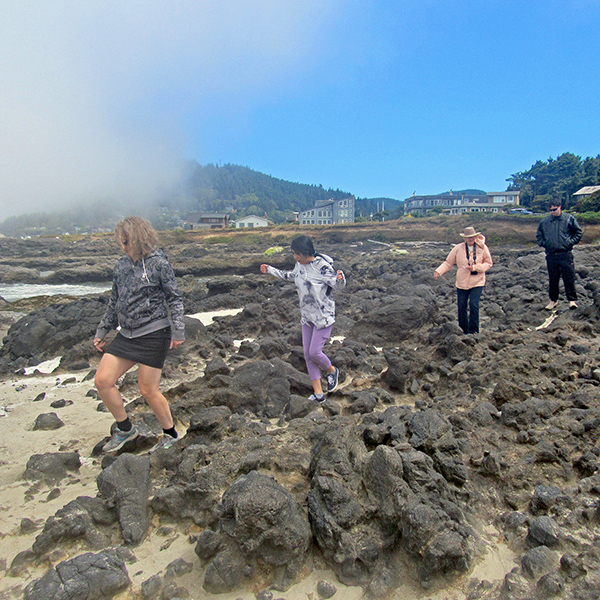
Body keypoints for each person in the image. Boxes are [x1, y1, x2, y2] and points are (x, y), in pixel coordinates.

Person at [94, 216, 185, 453]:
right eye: (121, 242)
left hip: (155, 332)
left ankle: (170, 434)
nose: (124, 247)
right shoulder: (121, 265)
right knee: (103, 381)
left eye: (127, 242)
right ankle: (125, 429)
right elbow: (114, 300)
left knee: (148, 390)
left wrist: (178, 329)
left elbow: (174, 298)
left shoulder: (159, 264)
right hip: (127, 334)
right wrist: (103, 329)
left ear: (139, 239)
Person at [260, 235, 346, 403]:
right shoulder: (299, 265)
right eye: (293, 254)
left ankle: (332, 371)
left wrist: (341, 279)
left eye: (296, 253)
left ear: (305, 252)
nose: (295, 257)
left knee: (315, 352)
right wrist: (270, 269)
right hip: (307, 317)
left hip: (323, 317)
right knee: (308, 355)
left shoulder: (322, 267)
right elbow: (290, 276)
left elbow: (337, 286)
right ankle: (319, 394)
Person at [434, 226, 493, 335]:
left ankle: (474, 331)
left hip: (477, 281)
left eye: (472, 237)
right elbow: (448, 263)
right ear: (465, 238)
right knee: (461, 307)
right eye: (468, 237)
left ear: (475, 236)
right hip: (461, 283)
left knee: (474, 304)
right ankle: (463, 331)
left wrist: (476, 268)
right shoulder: (458, 248)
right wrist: (438, 271)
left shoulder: (482, 247)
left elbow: (489, 263)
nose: (470, 239)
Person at [536, 199, 583, 310]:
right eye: (550, 210)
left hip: (565, 253)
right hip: (551, 254)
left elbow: (578, 232)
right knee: (553, 279)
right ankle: (553, 301)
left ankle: (572, 300)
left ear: (560, 207)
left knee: (569, 278)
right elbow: (539, 235)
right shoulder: (545, 222)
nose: (552, 212)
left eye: (554, 209)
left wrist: (570, 242)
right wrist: (544, 244)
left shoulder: (569, 218)